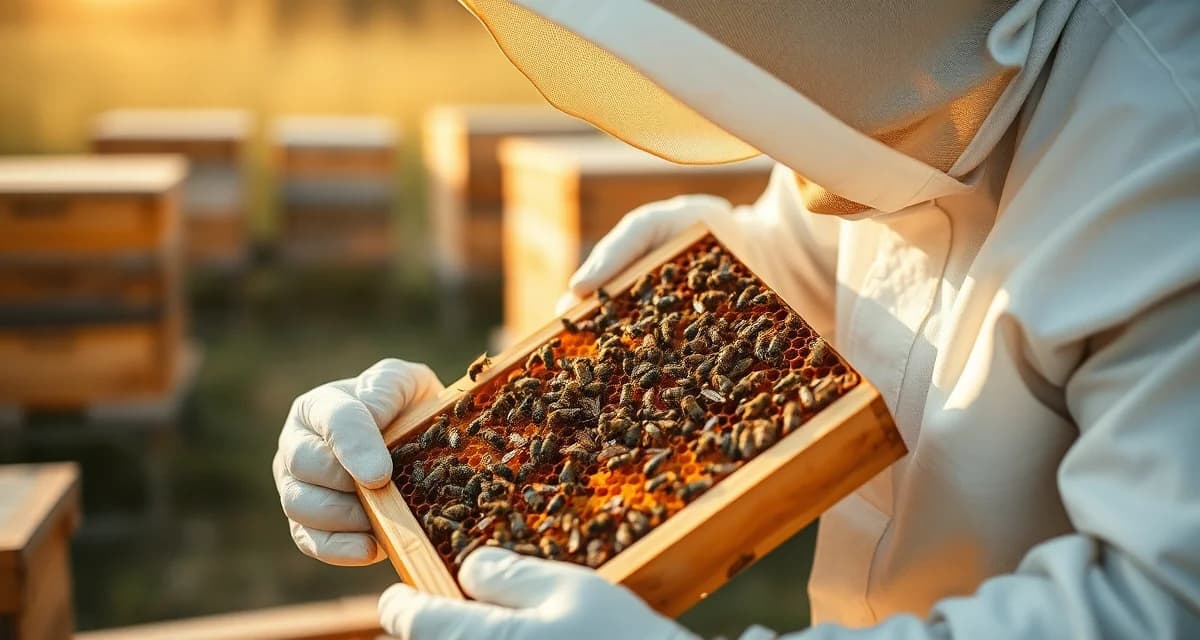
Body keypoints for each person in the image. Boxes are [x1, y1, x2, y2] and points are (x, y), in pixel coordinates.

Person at [272, 0, 1200, 637]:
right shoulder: (922, 67)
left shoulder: (1170, 137)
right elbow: (839, 266)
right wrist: (438, 447)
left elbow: (1164, 604)